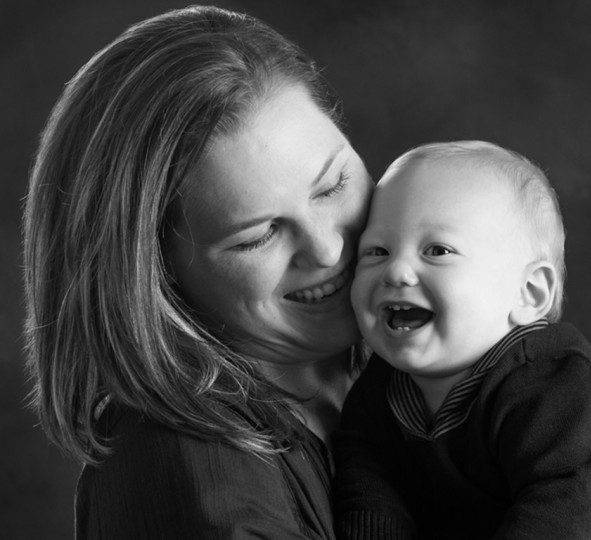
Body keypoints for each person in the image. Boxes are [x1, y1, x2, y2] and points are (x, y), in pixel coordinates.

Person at [22, 6, 373, 538]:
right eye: (259, 237)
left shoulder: (405, 368)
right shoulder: (181, 465)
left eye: (333, 186)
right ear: (152, 275)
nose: (326, 249)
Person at [334, 141, 591, 539]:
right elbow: (371, 498)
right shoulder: (374, 394)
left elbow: (557, 501)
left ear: (529, 293)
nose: (396, 271)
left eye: (437, 250)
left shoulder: (547, 378)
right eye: (377, 251)